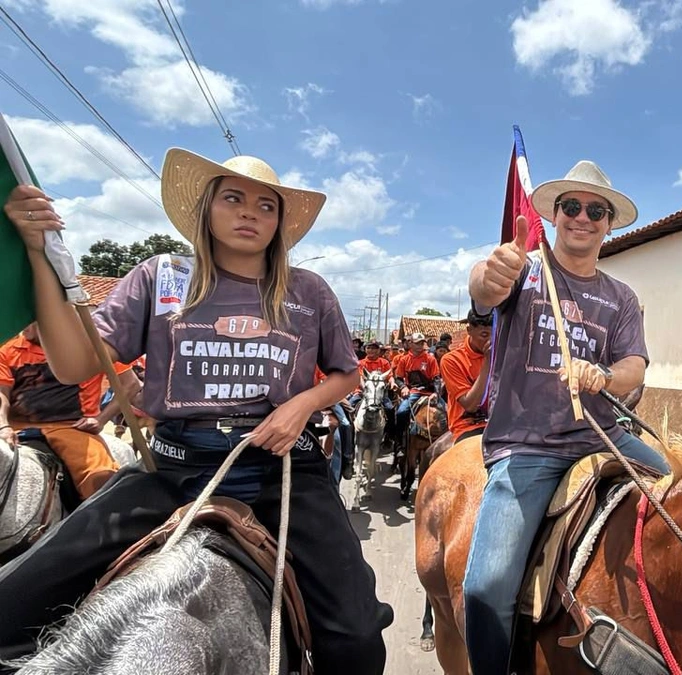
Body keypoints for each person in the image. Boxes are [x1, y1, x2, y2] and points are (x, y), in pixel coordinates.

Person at [0, 149, 392, 672]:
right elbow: (73, 363)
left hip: (282, 471)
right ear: (207, 208)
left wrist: (301, 405)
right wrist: (37, 255)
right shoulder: (160, 278)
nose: (250, 212)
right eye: (233, 198)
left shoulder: (308, 291)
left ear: (279, 223)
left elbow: (348, 375)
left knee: (358, 634)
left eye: (265, 205)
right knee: (11, 606)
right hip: (171, 468)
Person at [462, 160, 671, 674]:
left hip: (603, 437)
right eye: (571, 206)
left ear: (608, 222)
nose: (582, 217)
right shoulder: (527, 271)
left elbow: (634, 365)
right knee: (486, 589)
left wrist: (604, 375)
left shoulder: (621, 297)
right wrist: (489, 276)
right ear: (554, 214)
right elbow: (484, 289)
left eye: (595, 210)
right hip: (527, 446)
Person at [0, 322, 123, 498]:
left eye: (29, 320)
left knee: (100, 477)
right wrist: (3, 426)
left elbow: (130, 385)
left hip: (71, 428)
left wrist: (101, 419)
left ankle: (104, 522)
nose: (22, 325)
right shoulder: (8, 350)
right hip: (17, 429)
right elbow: (1, 394)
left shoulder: (90, 347)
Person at [441, 309, 492, 443]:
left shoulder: (504, 354)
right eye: (484, 335)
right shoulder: (451, 360)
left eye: (495, 335)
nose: (490, 341)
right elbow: (470, 405)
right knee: (403, 410)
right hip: (468, 427)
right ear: (469, 330)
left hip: (500, 424)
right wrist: (488, 361)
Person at [393, 332, 439, 442]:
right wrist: (403, 387)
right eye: (417, 343)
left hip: (429, 392)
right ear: (411, 344)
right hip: (413, 392)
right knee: (401, 412)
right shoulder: (404, 360)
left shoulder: (430, 359)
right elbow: (398, 378)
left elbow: (436, 379)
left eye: (422, 343)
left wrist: (436, 393)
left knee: (446, 411)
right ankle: (399, 442)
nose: (420, 346)